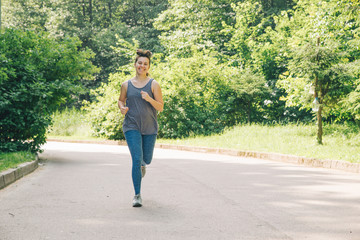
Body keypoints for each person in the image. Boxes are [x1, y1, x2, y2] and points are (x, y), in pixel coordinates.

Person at [118, 49, 164, 207]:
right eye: (140, 63)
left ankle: (143, 165)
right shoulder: (126, 85)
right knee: (136, 159)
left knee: (146, 159)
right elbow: (121, 101)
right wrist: (122, 108)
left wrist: (149, 99)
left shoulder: (154, 85)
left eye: (145, 64)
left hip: (150, 128)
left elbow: (161, 107)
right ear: (135, 64)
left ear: (148, 67)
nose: (142, 66)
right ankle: (137, 195)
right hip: (131, 126)